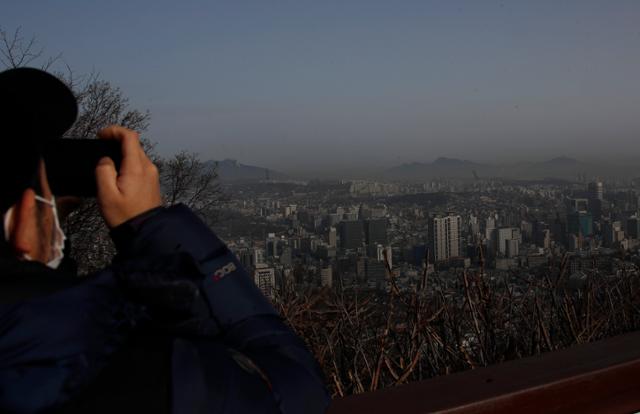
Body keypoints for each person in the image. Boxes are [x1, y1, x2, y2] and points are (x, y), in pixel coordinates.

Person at [0, 67, 330, 414]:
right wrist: (149, 226)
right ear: (23, 222)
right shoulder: (129, 378)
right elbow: (295, 392)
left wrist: (41, 270)